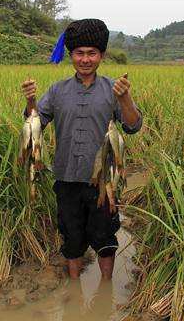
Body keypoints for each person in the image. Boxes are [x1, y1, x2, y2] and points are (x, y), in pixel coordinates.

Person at [21, 19, 142, 280]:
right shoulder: (57, 90)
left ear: (101, 55)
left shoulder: (113, 89)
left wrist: (125, 98)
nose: (85, 59)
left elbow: (132, 126)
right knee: (71, 236)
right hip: (66, 178)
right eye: (79, 53)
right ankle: (74, 286)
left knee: (105, 237)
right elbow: (35, 124)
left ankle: (105, 287)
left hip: (103, 182)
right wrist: (31, 100)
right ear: (71, 55)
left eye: (91, 53)